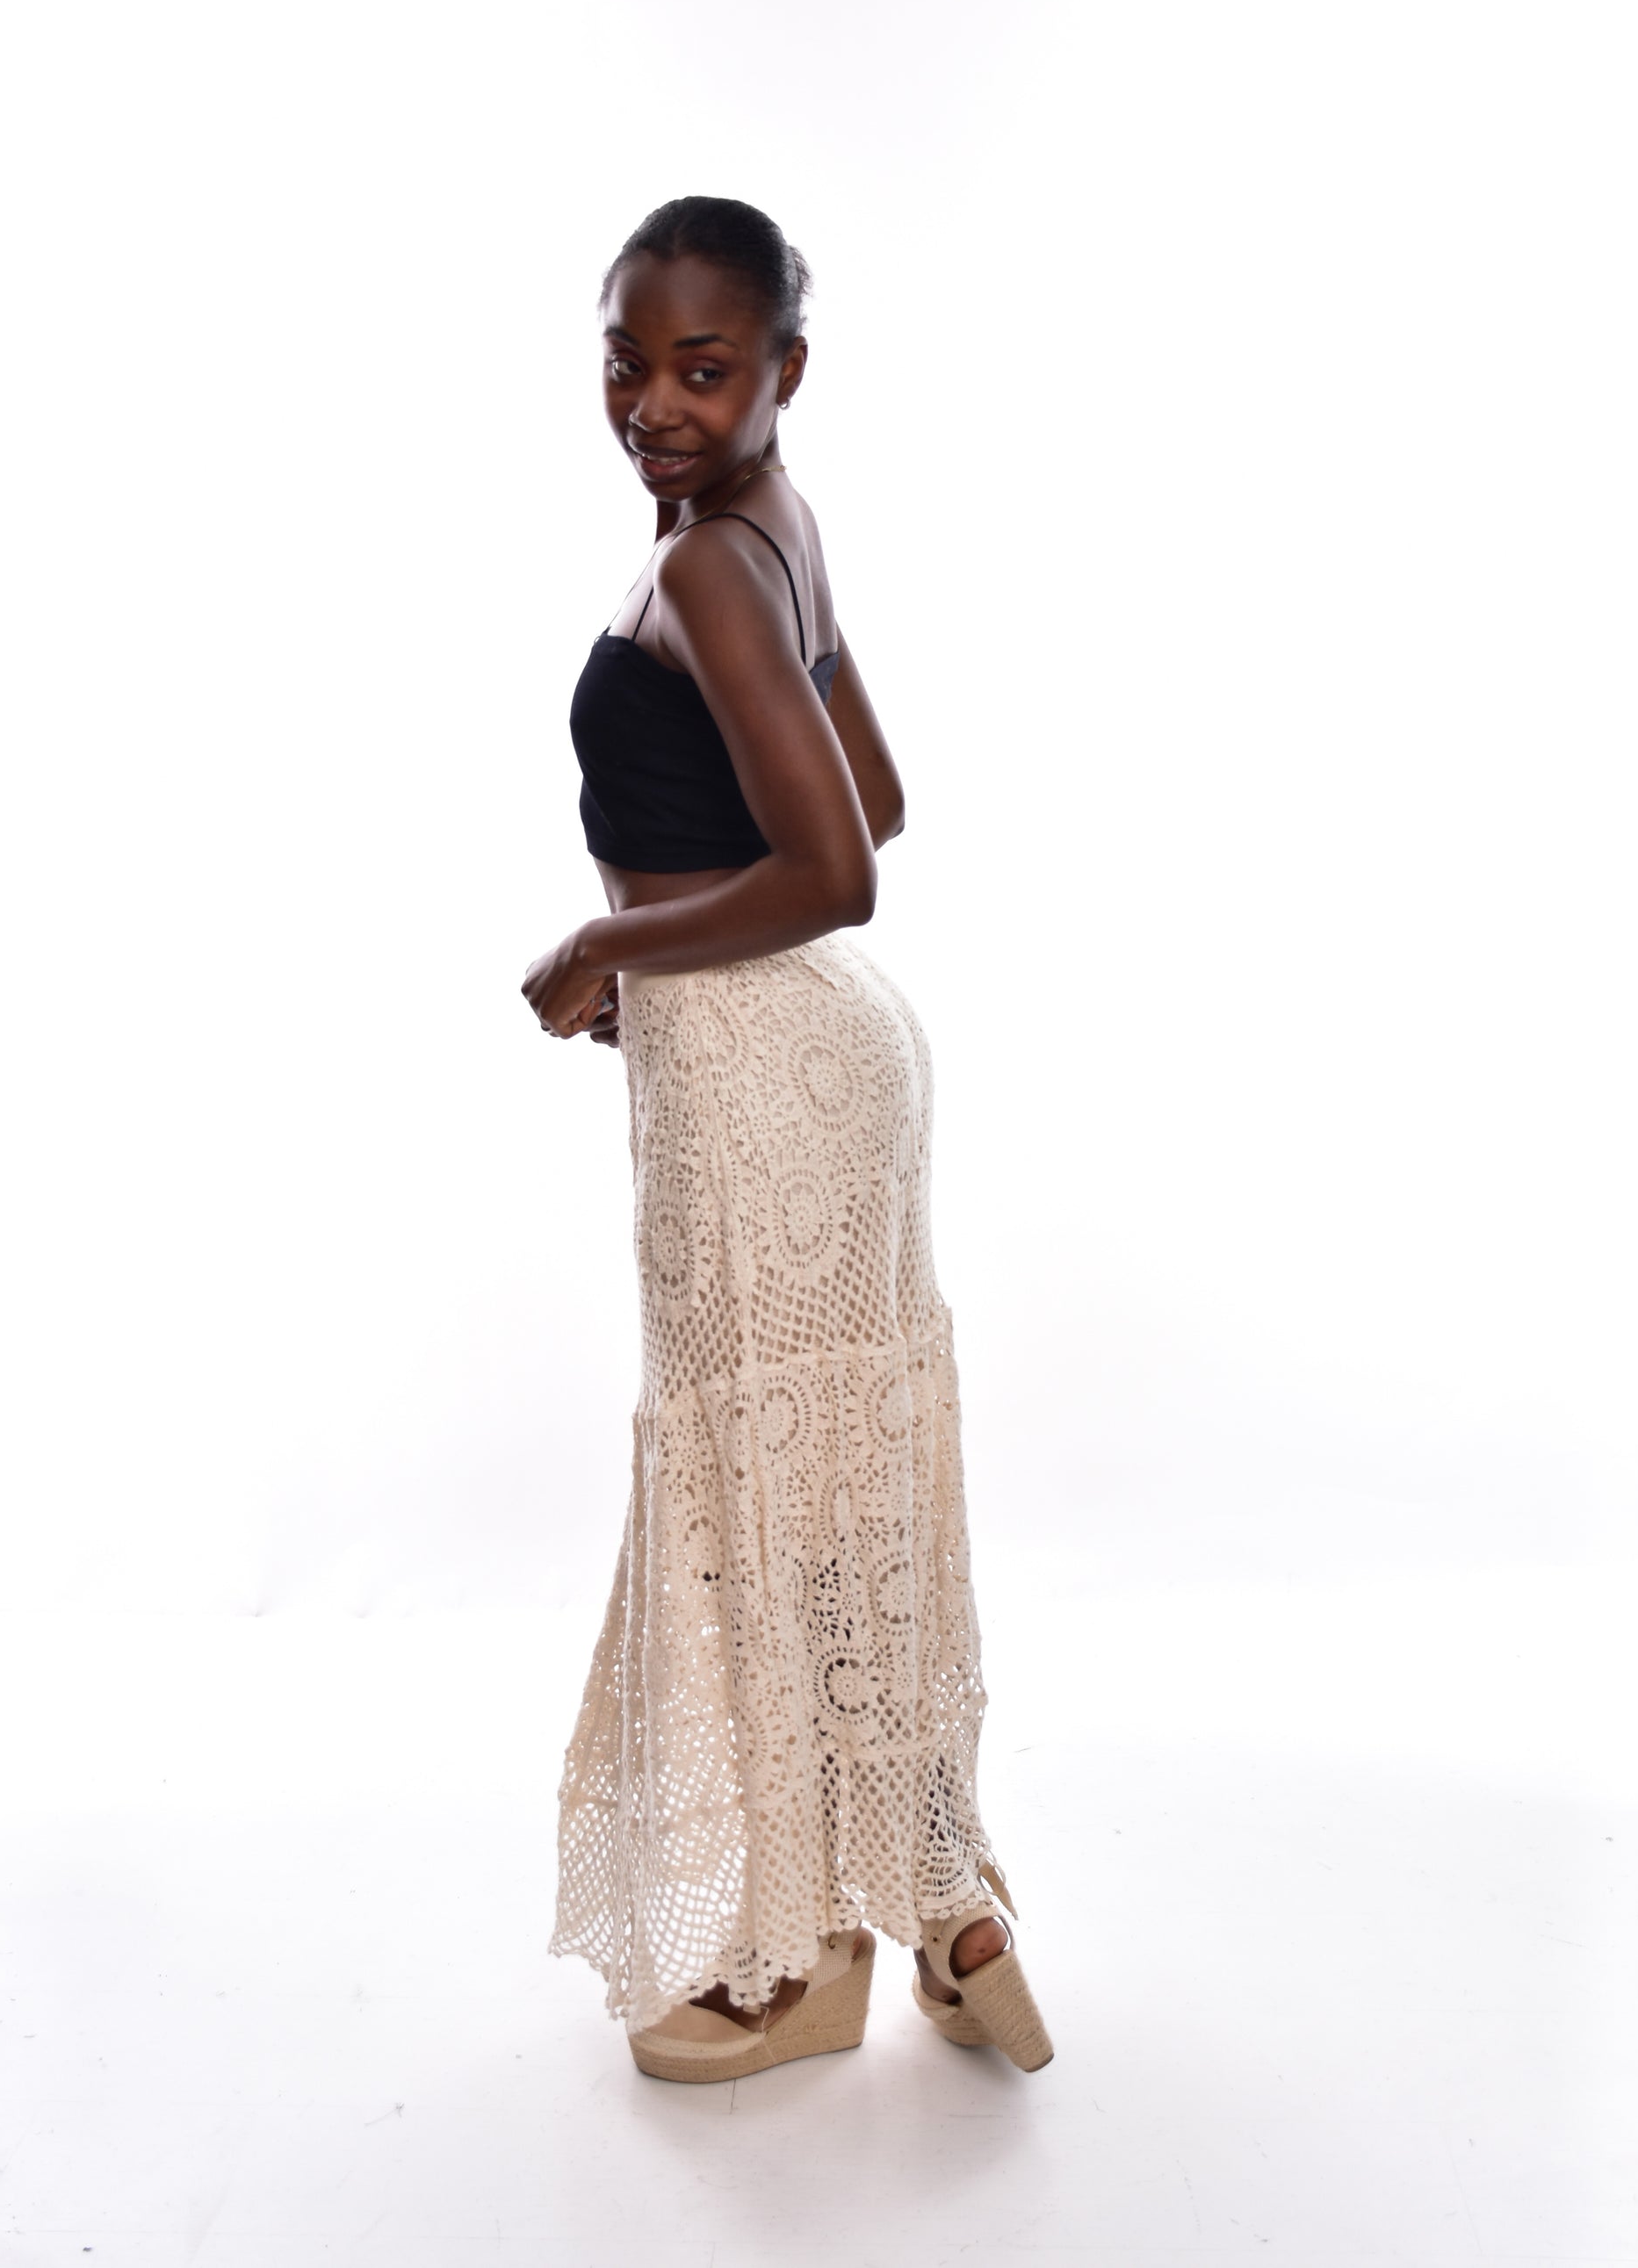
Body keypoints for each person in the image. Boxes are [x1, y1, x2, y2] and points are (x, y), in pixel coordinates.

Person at [522, 197, 1051, 2084]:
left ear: (783, 372)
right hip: (815, 1054)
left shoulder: (710, 568)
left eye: (703, 367)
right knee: (832, 1499)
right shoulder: (769, 530)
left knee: (775, 1512)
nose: (654, 404)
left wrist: (605, 944)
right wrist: (668, 949)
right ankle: (950, 1907)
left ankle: (808, 1957)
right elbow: (874, 795)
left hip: (760, 1072)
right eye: (626, 362)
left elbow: (837, 865)